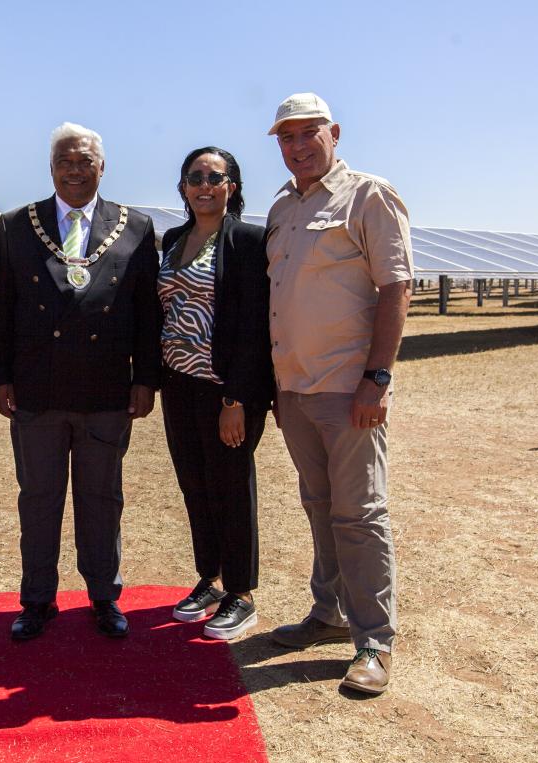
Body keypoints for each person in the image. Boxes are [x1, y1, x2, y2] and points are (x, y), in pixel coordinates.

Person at [262, 93, 413, 695]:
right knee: (319, 508)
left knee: (360, 515)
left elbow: (396, 287)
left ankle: (374, 640)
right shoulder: (281, 205)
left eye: (308, 134)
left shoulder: (369, 196)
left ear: (335, 133)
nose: (297, 146)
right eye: (286, 137)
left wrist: (377, 378)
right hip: (295, 391)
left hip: (349, 389)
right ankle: (327, 613)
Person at [0, 122, 162, 641]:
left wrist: (145, 379)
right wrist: (1, 375)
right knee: (38, 497)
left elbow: (146, 312)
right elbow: (4, 306)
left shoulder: (135, 226)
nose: (74, 169)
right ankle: (37, 599)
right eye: (65, 160)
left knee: (101, 497)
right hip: (37, 390)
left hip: (106, 389)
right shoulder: (18, 224)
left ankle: (105, 596)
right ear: (51, 167)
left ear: (102, 167)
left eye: (85, 160)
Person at [158, 147, 272, 641]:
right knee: (195, 485)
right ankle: (210, 578)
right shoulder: (172, 239)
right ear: (183, 186)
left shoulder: (248, 241)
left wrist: (237, 400)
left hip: (225, 391)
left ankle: (241, 593)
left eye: (214, 177)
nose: (204, 185)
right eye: (194, 177)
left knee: (231, 487)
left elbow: (253, 327)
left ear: (232, 186)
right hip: (178, 386)